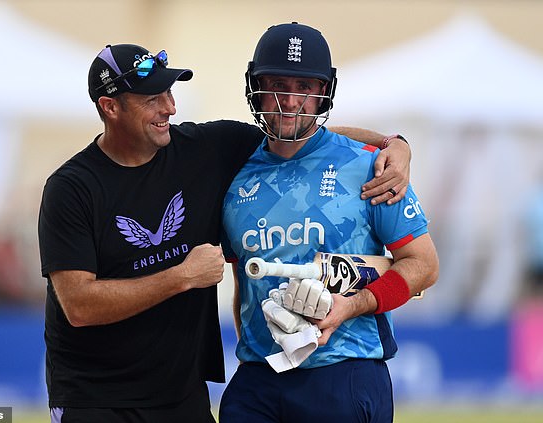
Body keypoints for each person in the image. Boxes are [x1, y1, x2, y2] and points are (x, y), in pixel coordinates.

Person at [38, 42, 411, 423]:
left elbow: (300, 133)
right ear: (110, 107)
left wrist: (392, 144)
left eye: (170, 92)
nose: (170, 107)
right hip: (94, 398)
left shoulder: (204, 150)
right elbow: (79, 306)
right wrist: (182, 276)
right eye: (152, 98)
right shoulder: (71, 189)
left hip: (182, 394)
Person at [220, 22, 440, 423]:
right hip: (256, 381)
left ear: (323, 92)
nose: (289, 100)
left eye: (304, 87)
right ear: (255, 85)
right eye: (276, 84)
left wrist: (353, 305)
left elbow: (423, 266)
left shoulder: (370, 165)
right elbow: (242, 283)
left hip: (345, 372)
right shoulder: (232, 175)